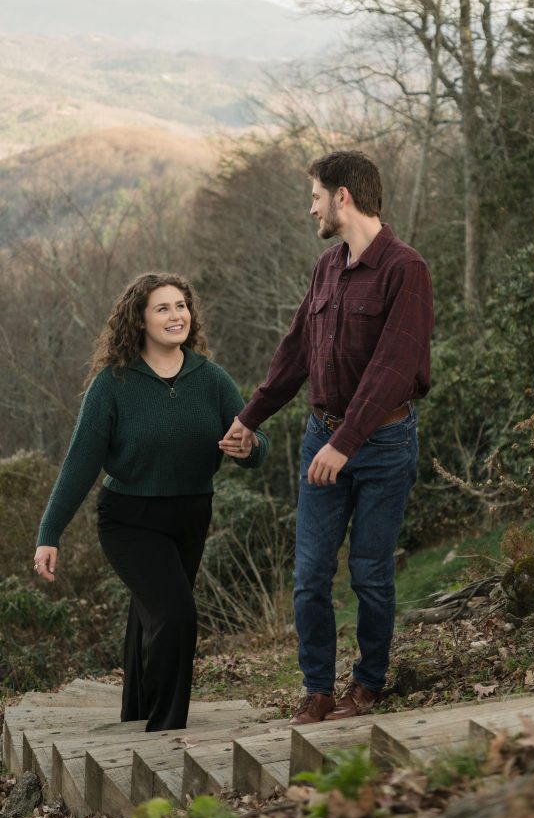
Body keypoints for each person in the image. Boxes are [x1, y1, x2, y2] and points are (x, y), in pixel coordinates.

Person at [221, 151, 433, 725]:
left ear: (343, 197)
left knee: (369, 572)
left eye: (315, 194)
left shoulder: (404, 268)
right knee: (311, 575)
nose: (310, 206)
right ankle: (316, 689)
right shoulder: (326, 268)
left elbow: (393, 369)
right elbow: (295, 352)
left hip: (382, 445)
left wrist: (347, 445)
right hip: (323, 437)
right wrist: (250, 417)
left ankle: (367, 684)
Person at [34, 272, 268, 732]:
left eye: (181, 306)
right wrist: (49, 533)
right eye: (162, 308)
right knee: (176, 614)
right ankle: (165, 729)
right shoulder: (113, 384)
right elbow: (80, 464)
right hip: (129, 519)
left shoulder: (211, 378)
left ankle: (136, 712)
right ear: (139, 320)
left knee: (151, 613)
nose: (175, 315)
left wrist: (252, 447)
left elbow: (253, 443)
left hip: (192, 514)